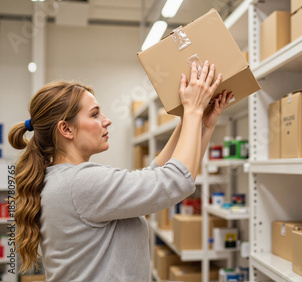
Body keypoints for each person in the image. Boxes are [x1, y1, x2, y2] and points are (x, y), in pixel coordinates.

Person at [8, 61, 234, 281]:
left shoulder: (63, 178)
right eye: (95, 114)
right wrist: (192, 111)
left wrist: (197, 124)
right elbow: (174, 181)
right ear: (66, 129)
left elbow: (157, 176)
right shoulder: (80, 182)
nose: (107, 121)